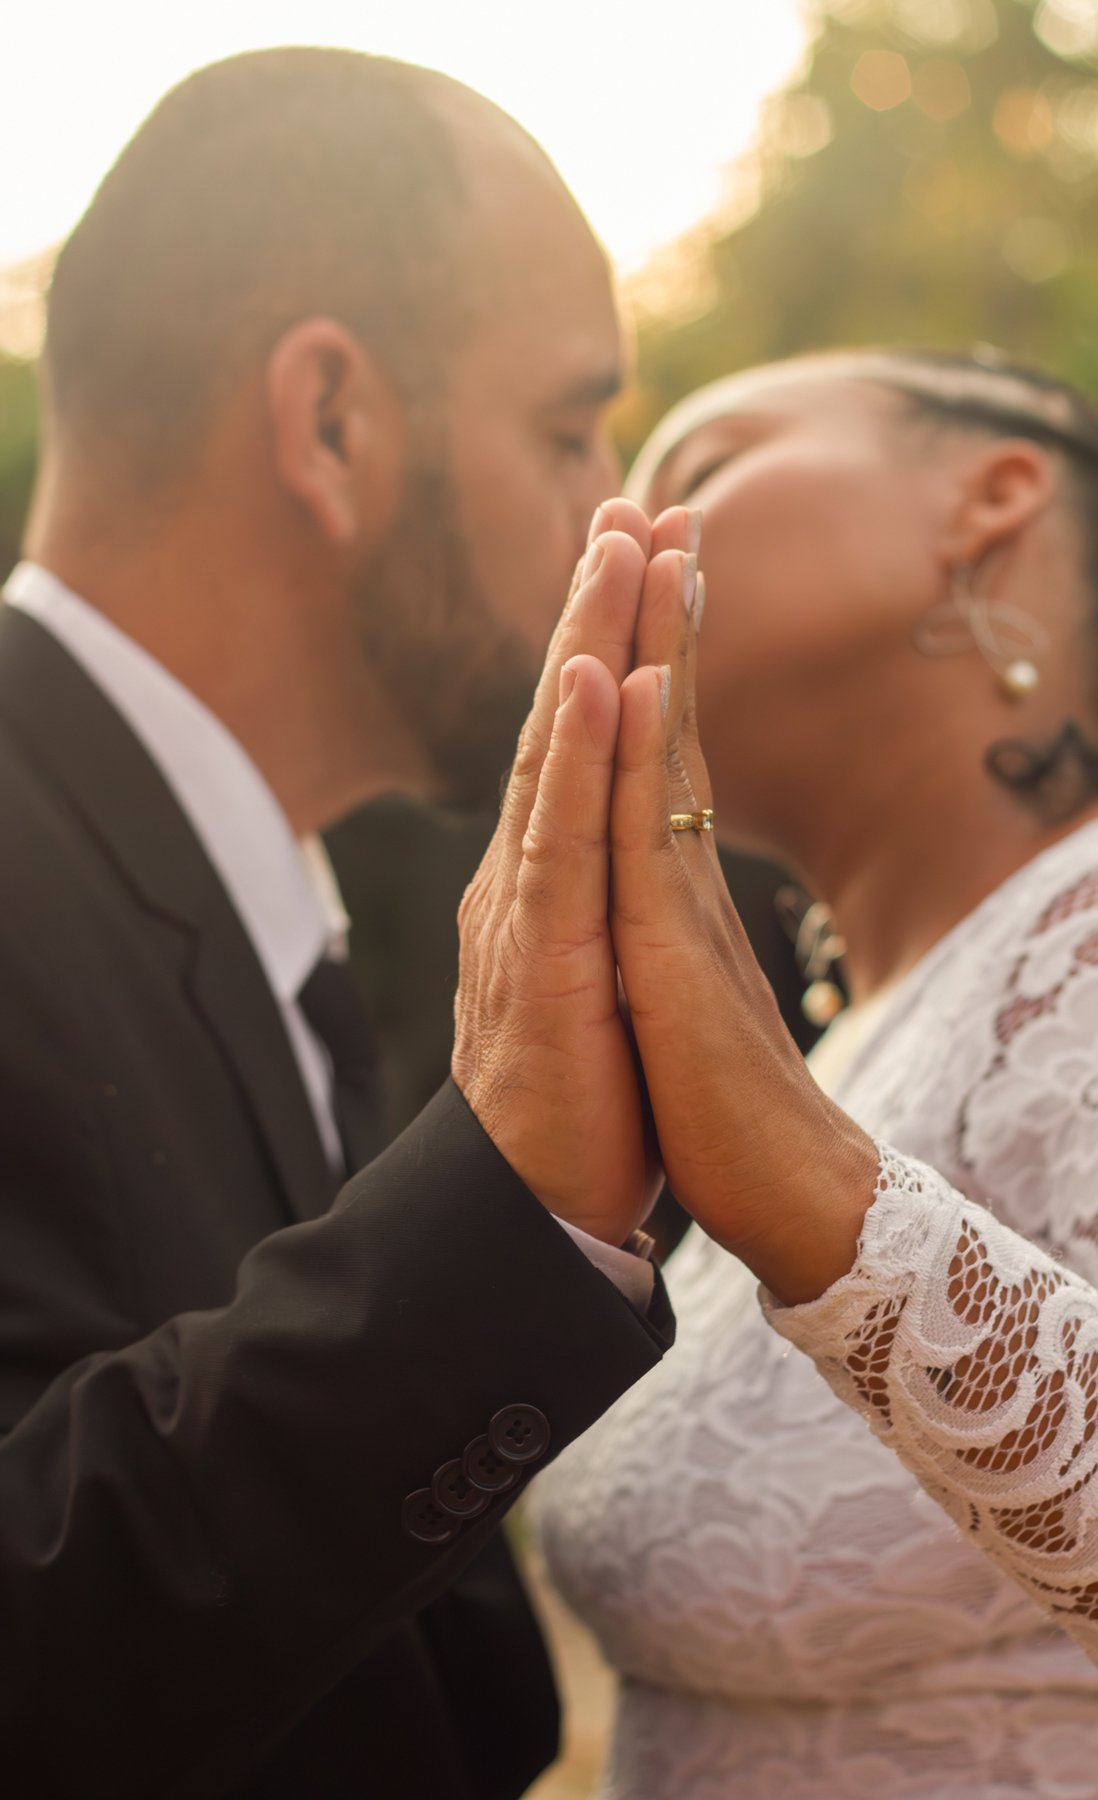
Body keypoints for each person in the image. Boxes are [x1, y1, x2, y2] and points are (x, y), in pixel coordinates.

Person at [0, 47, 690, 1800]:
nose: (612, 504)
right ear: (329, 424)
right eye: (566, 427)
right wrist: (510, 1209)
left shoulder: (245, 889)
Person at [531, 349, 1098, 1797]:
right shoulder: (848, 1037)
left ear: (993, 498)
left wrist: (814, 1193)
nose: (610, 536)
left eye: (698, 467)